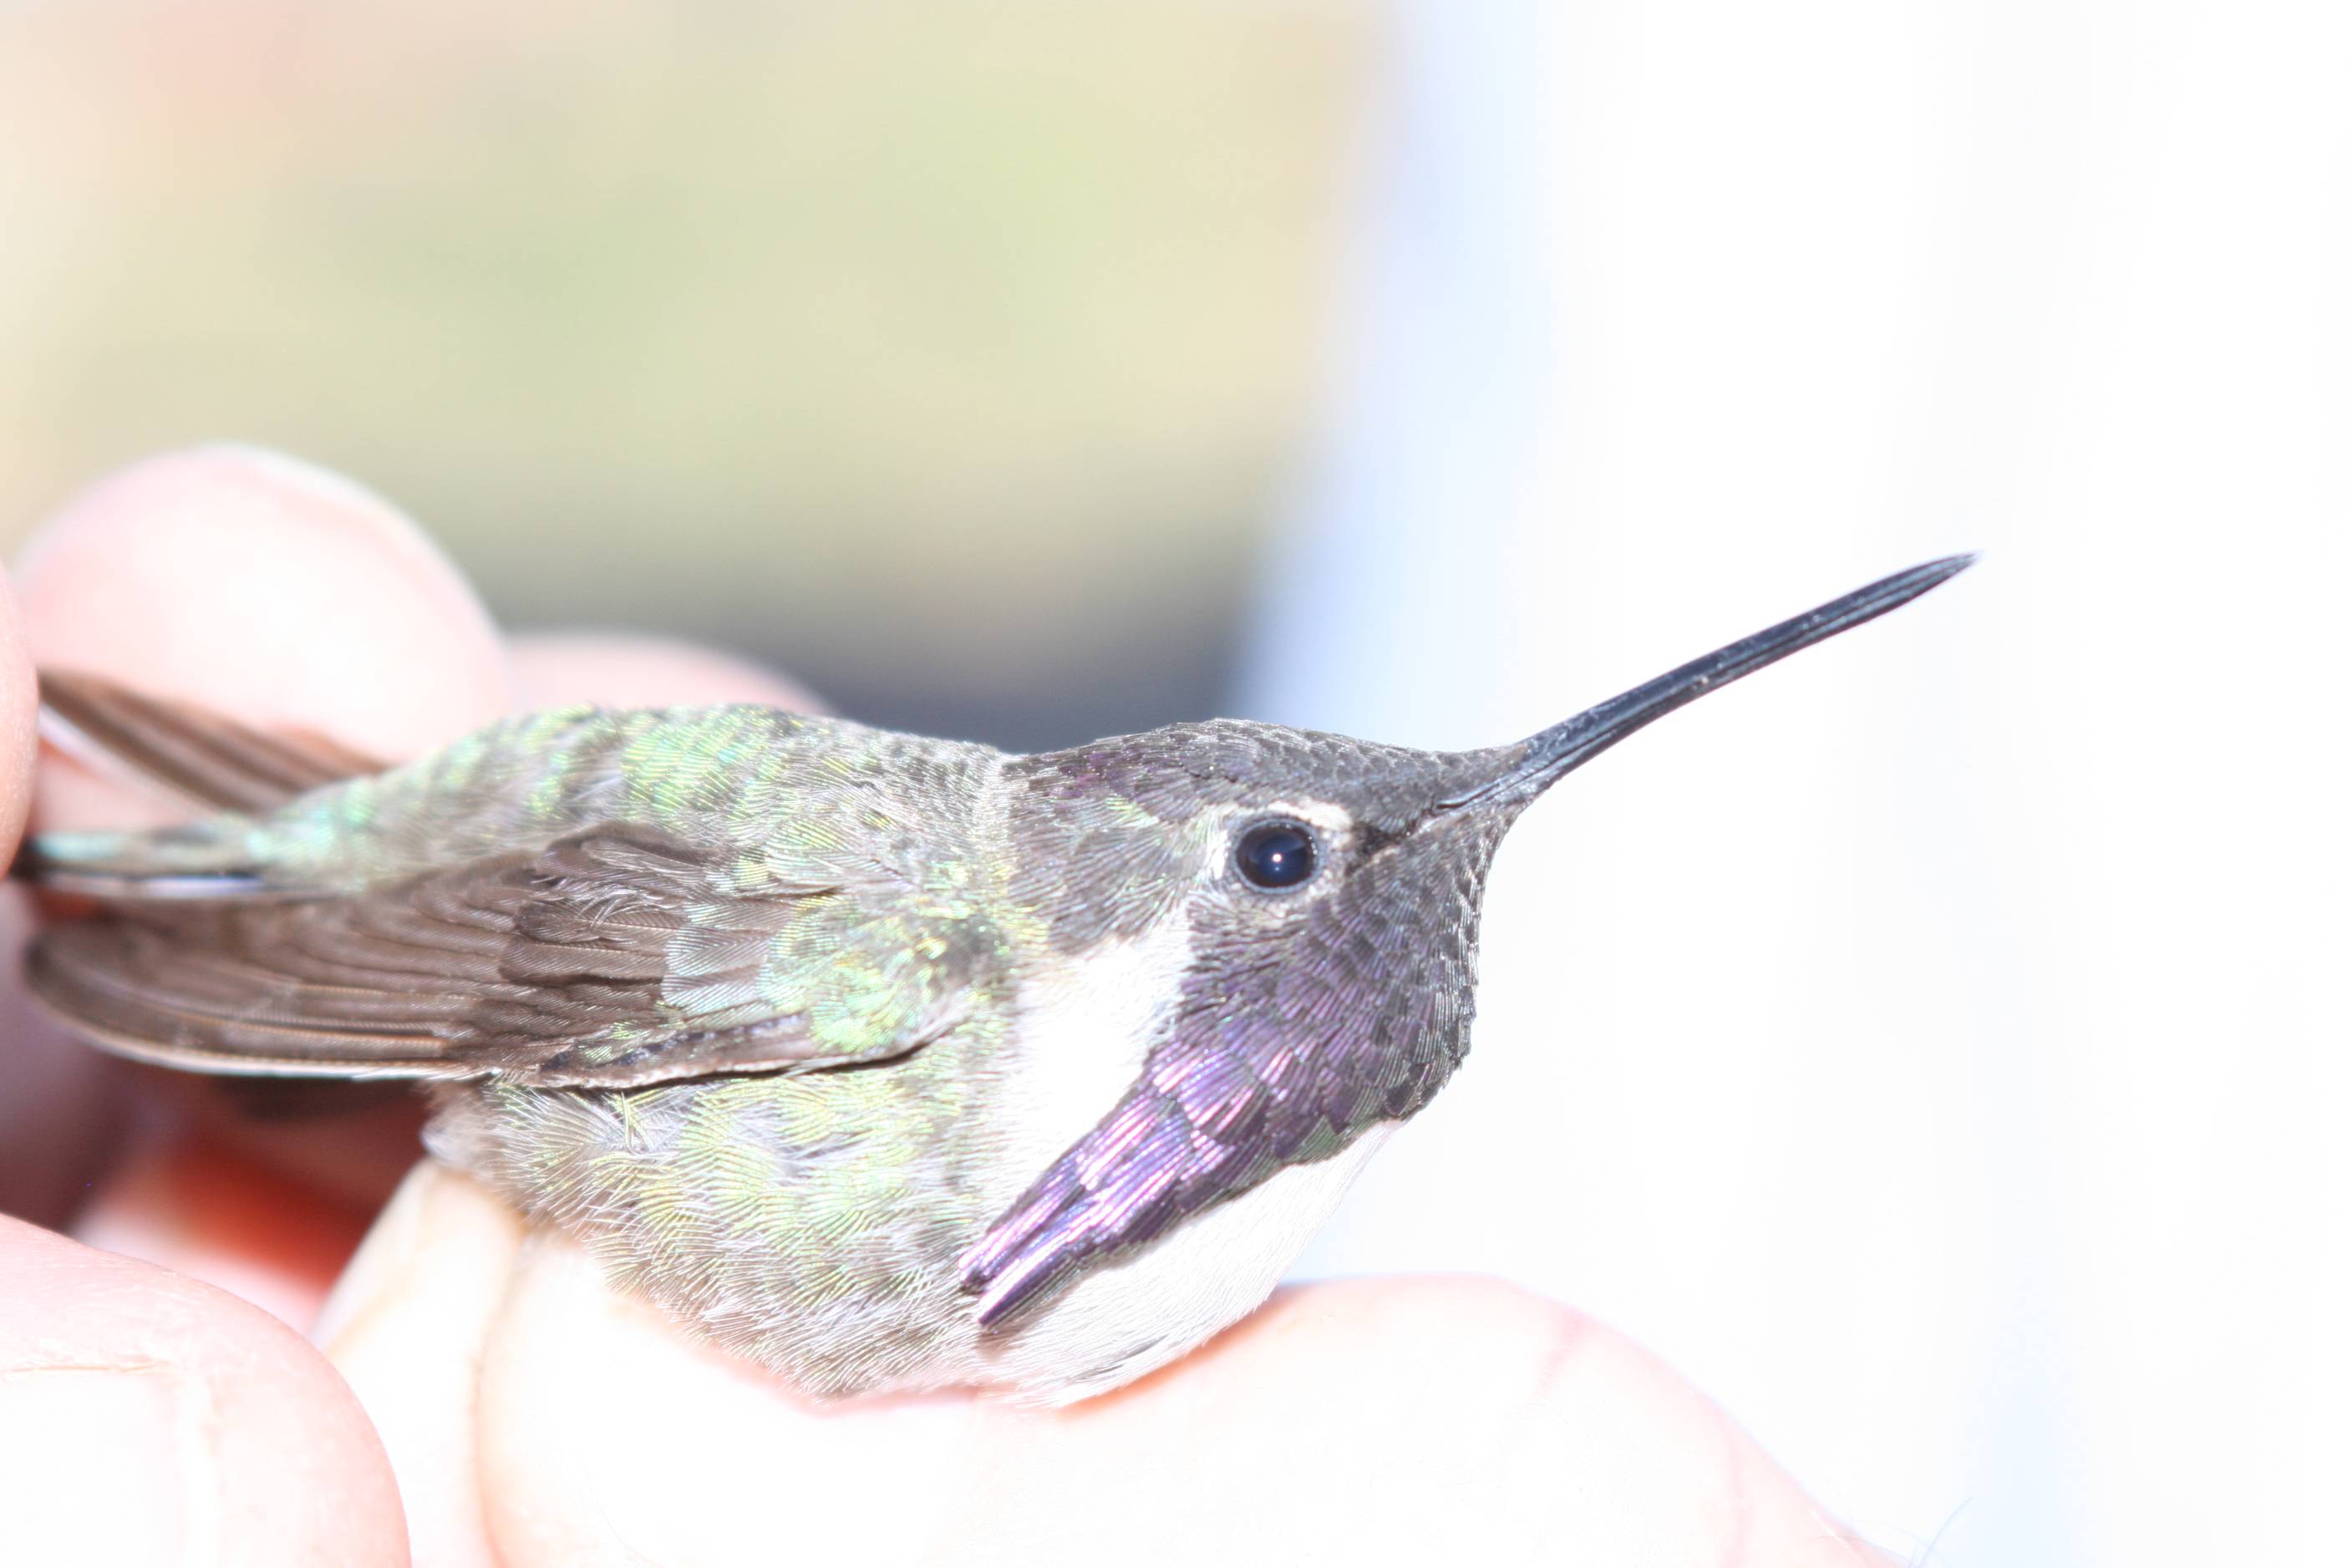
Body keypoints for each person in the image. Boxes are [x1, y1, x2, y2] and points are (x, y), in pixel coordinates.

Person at [0, 447, 1893, 1566]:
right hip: (485, 924)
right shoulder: (921, 957)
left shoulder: (1235, 1177)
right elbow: (521, 965)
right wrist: (228, 965)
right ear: (1119, 900)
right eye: (1274, 864)